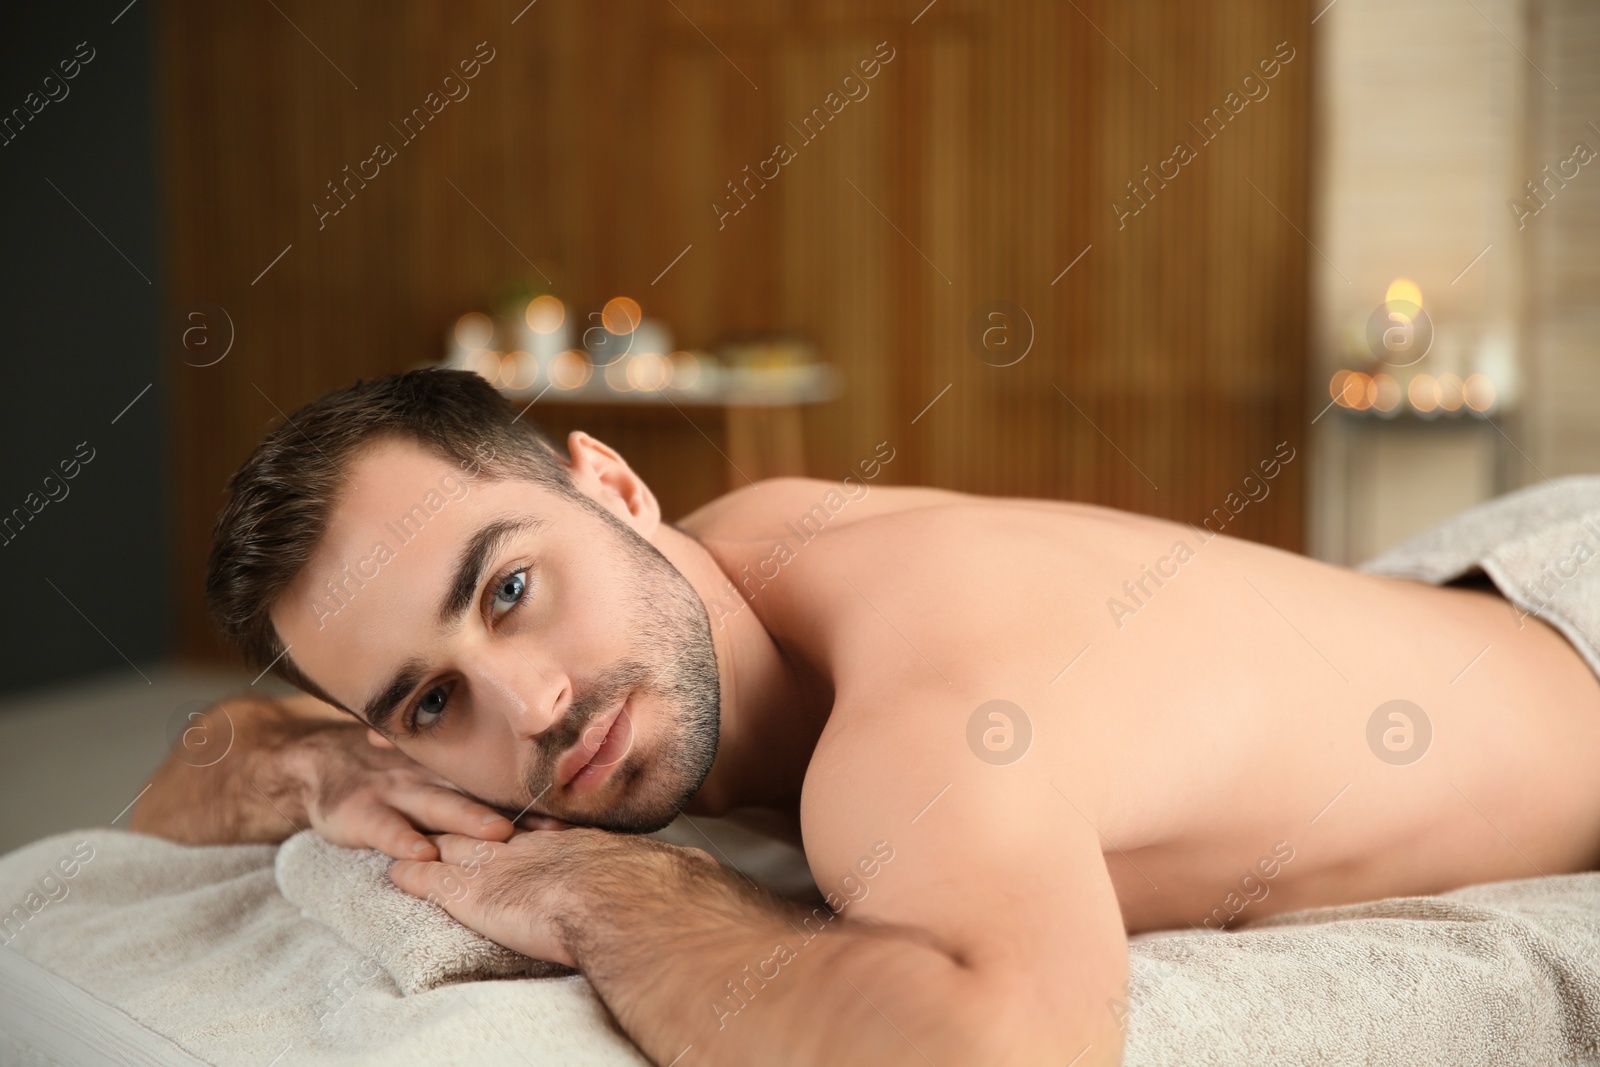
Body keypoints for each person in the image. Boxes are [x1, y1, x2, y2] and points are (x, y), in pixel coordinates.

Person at [132, 368, 1600, 1067]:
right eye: (433, 698)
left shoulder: (921, 723)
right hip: (1460, 592)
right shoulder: (719, 566)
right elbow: (178, 787)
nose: (532, 706)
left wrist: (605, 895)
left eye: (512, 588)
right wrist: (314, 761)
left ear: (616, 488)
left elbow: (1007, 1050)